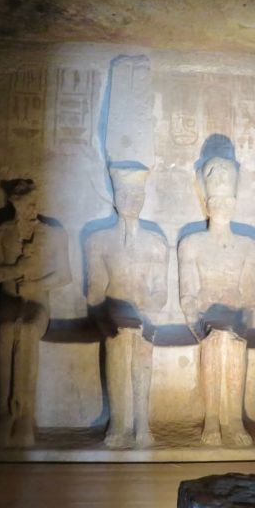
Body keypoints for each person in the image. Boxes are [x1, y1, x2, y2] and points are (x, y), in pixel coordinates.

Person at [0, 179, 71, 448]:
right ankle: (4, 412)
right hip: (9, 300)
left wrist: (36, 284)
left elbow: (64, 275)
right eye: (27, 205)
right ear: (15, 205)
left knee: (28, 329)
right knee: (6, 329)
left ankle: (25, 413)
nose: (33, 209)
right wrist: (15, 270)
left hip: (37, 301)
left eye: (34, 203)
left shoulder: (53, 234)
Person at [178, 155, 255, 446]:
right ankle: (212, 417)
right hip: (203, 320)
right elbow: (188, 297)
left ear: (235, 203)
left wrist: (240, 323)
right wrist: (198, 324)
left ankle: (234, 419)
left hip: (235, 320)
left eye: (228, 201)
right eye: (216, 201)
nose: (223, 207)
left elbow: (250, 298)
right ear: (206, 204)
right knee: (215, 341)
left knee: (232, 341)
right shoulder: (191, 244)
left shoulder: (249, 246)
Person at [86, 163, 168, 448]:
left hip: (144, 316)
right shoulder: (99, 241)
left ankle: (142, 422)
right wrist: (109, 312)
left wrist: (147, 306)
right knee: (119, 341)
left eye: (137, 195)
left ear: (144, 197)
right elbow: (95, 293)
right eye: (125, 194)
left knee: (142, 344)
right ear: (115, 197)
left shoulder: (155, 242)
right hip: (112, 316)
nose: (131, 201)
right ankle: (119, 422)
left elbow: (161, 292)